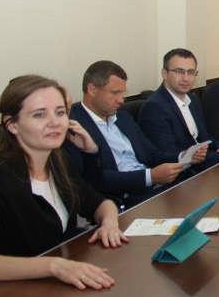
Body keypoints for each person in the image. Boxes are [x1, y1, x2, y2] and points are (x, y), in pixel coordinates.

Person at [0, 75, 127, 289]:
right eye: (39, 114)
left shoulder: (58, 160)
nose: (55, 122)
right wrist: (53, 266)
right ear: (12, 125)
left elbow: (98, 202)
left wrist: (109, 222)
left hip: (61, 285)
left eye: (60, 112)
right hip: (15, 292)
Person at [67, 61, 206, 208]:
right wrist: (150, 176)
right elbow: (94, 178)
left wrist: (183, 156)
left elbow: (152, 154)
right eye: (115, 93)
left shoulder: (123, 117)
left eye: (123, 93)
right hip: (124, 199)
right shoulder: (74, 127)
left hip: (154, 187)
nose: (121, 100)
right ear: (92, 89)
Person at [141, 48, 219, 170]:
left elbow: (204, 136)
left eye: (191, 72)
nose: (186, 78)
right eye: (179, 71)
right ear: (164, 74)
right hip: (183, 173)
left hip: (205, 164)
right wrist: (217, 157)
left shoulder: (192, 98)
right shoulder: (154, 107)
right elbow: (169, 155)